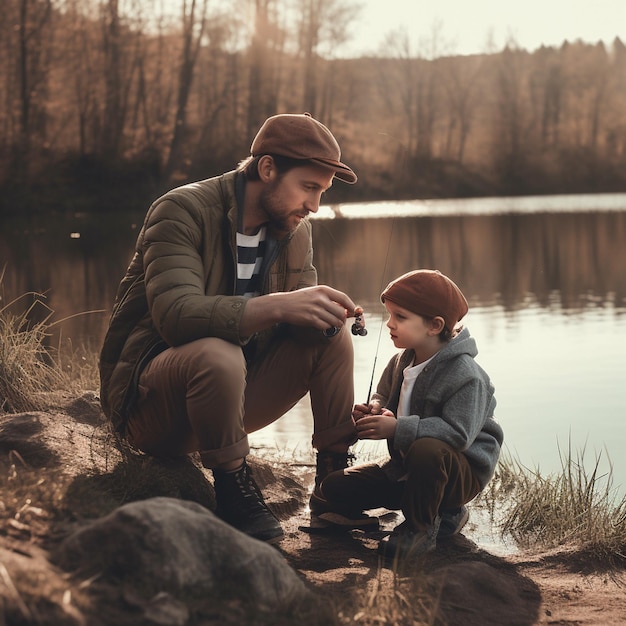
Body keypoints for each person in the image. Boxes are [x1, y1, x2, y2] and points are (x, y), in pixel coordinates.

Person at [99, 113, 362, 544]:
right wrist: (279, 305)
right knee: (216, 351)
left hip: (228, 402)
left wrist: (327, 317)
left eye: (322, 192)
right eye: (309, 188)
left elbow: (298, 327)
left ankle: (334, 490)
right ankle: (233, 488)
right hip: (151, 411)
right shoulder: (181, 210)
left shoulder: (295, 231)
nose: (314, 206)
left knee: (335, 343)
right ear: (267, 169)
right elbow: (176, 315)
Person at [316, 269, 504, 562]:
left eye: (400, 317)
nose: (389, 324)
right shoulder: (401, 359)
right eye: (389, 315)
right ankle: (428, 508)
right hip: (404, 469)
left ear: (434, 325)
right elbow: (384, 395)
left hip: (455, 475)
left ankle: (425, 526)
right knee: (333, 487)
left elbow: (458, 435)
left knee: (427, 449)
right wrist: (375, 409)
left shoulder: (467, 376)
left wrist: (396, 428)